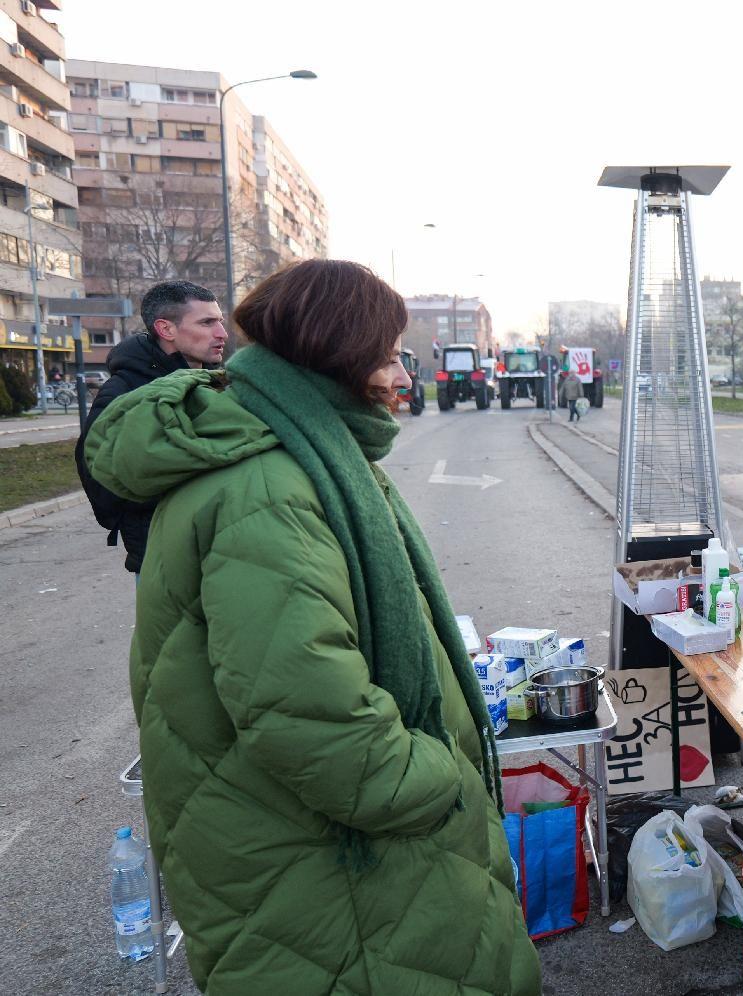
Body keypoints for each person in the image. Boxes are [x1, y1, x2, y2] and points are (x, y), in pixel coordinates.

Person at [84, 260, 540, 995]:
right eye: (388, 355)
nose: (400, 375)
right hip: (325, 866)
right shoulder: (271, 486)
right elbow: (311, 717)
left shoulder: (300, 449)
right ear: (342, 357)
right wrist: (441, 773)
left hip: (310, 849)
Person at [74, 280, 227, 574]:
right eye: (207, 322)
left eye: (219, 321)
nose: (222, 333)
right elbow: (102, 480)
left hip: (221, 554)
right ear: (166, 329)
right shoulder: (126, 392)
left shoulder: (216, 383)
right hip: (163, 561)